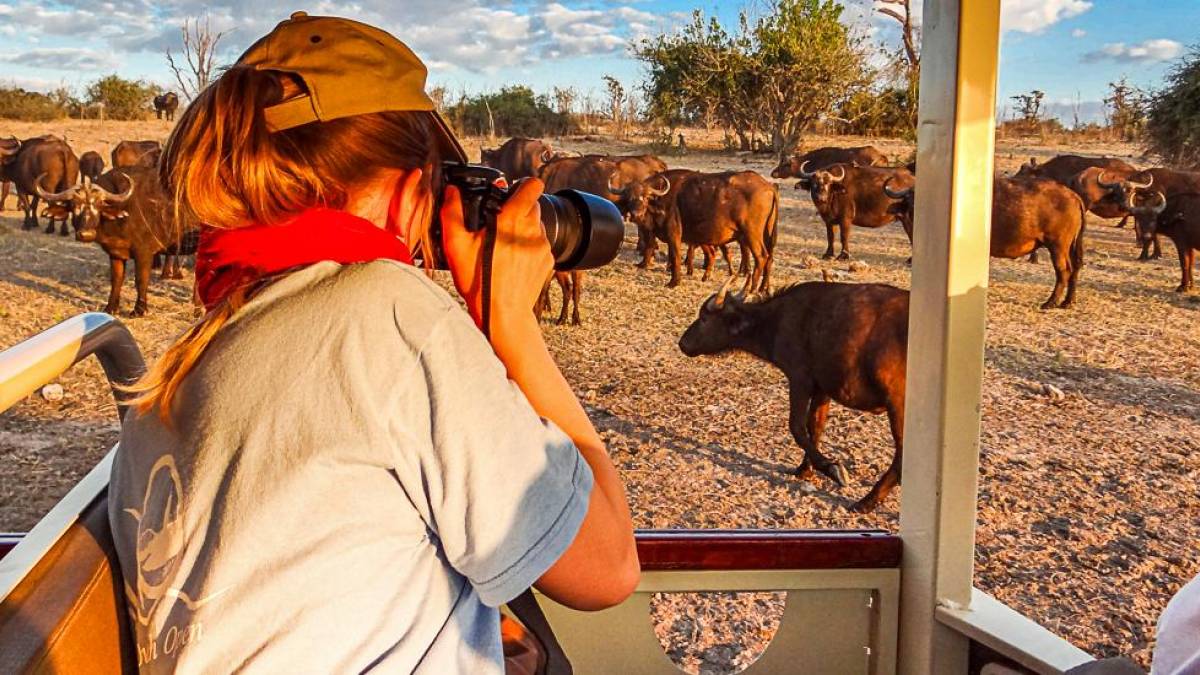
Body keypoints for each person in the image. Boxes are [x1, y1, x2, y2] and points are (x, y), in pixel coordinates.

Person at [107, 12, 638, 674]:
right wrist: (511, 323)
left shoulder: (181, 367)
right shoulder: (387, 313)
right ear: (412, 191)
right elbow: (609, 564)